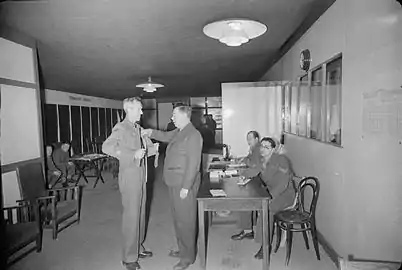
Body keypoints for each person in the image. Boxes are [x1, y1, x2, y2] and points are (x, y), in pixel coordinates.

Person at [142, 103, 203, 270]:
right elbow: (166, 136)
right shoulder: (179, 131)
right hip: (174, 182)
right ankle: (183, 249)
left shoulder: (193, 135)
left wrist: (186, 186)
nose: (172, 118)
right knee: (178, 219)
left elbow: (194, 164)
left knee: (186, 221)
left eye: (174, 116)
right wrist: (151, 132)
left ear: (184, 116)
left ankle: (187, 257)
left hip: (184, 184)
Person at [102, 97, 158, 270]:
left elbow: (144, 150)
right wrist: (132, 153)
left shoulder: (138, 128)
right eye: (139, 109)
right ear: (129, 110)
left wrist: (152, 149)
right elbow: (107, 147)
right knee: (131, 217)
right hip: (129, 177)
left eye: (141, 109)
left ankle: (137, 247)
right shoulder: (122, 127)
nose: (142, 112)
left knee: (140, 213)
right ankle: (128, 257)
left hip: (141, 176)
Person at [253, 137, 296, 259]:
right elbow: (254, 171)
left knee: (267, 208)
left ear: (273, 149)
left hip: (285, 194)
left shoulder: (281, 160)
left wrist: (269, 197)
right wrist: (244, 176)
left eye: (267, 147)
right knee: (260, 203)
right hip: (271, 192)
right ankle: (259, 234)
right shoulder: (262, 160)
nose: (263, 149)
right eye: (262, 146)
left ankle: (265, 246)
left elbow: (283, 183)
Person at [231, 131, 263, 241]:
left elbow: (255, 166)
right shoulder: (254, 148)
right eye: (247, 138)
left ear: (257, 139)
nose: (248, 141)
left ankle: (247, 231)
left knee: (243, 199)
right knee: (242, 193)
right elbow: (249, 160)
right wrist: (244, 159)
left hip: (261, 181)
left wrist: (244, 173)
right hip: (257, 177)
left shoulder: (258, 149)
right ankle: (247, 228)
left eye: (250, 138)